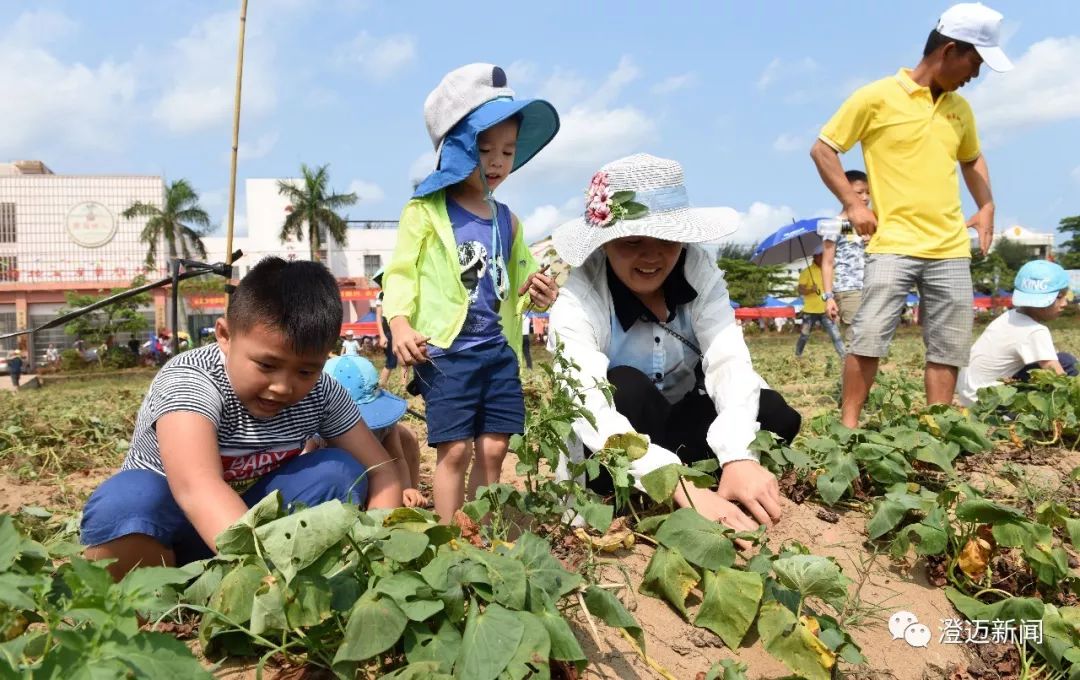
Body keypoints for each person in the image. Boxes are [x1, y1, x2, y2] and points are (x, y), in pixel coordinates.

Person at [80, 257, 404, 581]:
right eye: (266, 365)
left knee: (340, 472)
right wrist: (264, 579)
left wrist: (376, 552)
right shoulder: (192, 380)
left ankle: (241, 583)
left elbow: (381, 472)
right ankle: (158, 600)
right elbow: (198, 488)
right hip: (167, 534)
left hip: (252, 526)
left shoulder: (322, 392)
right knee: (128, 501)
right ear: (225, 335)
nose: (282, 386)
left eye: (305, 370)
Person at [549, 153, 802, 534]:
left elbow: (727, 359)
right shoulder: (579, 299)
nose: (651, 256)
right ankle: (654, 491)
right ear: (604, 244)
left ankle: (723, 479)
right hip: (615, 441)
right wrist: (679, 484)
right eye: (632, 241)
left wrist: (736, 455)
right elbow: (587, 403)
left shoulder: (698, 269)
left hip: (679, 422)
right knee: (625, 385)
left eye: (666, 239)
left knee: (773, 411)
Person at [809, 2, 1011, 428]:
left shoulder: (960, 109)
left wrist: (987, 205)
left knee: (947, 346)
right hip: (893, 243)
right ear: (950, 50)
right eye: (974, 61)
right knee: (866, 340)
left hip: (950, 247)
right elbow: (824, 148)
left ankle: (935, 428)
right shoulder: (875, 97)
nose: (975, 74)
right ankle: (848, 429)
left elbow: (971, 160)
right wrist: (854, 203)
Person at [383, 63, 559, 523]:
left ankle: (482, 528)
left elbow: (520, 283)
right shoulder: (425, 212)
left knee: (495, 447)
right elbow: (399, 273)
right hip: (446, 351)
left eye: (507, 150)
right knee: (455, 448)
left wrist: (539, 292)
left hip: (496, 351)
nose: (498, 161)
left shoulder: (509, 220)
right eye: (484, 149)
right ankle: (447, 532)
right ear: (457, 148)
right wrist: (400, 323)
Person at [956, 260, 1078, 406]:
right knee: (1068, 364)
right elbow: (1058, 376)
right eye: (1059, 297)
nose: (1065, 303)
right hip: (989, 404)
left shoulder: (1010, 316)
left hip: (970, 394)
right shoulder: (1035, 330)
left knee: (1061, 359)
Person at [319, 355, 428, 507]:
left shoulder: (385, 427)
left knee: (409, 436)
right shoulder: (316, 432)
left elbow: (397, 459)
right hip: (340, 483)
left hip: (381, 477)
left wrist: (406, 489)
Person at [821, 170, 871, 342]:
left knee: (873, 340)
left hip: (873, 286)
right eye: (859, 193)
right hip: (849, 289)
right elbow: (827, 262)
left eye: (868, 192)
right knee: (856, 340)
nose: (865, 197)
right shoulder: (836, 224)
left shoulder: (874, 222)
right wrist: (828, 297)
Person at [795, 246, 845, 358]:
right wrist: (810, 290)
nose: (824, 257)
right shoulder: (806, 272)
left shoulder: (830, 269)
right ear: (815, 256)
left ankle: (844, 357)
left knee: (835, 335)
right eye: (821, 255)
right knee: (804, 335)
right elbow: (800, 289)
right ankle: (797, 356)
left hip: (826, 309)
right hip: (809, 311)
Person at [371, 270, 398, 388]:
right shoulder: (381, 295)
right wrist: (382, 336)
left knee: (405, 361)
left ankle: (403, 386)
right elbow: (378, 317)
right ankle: (381, 385)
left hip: (400, 330)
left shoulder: (399, 292)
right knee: (391, 362)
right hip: (388, 332)